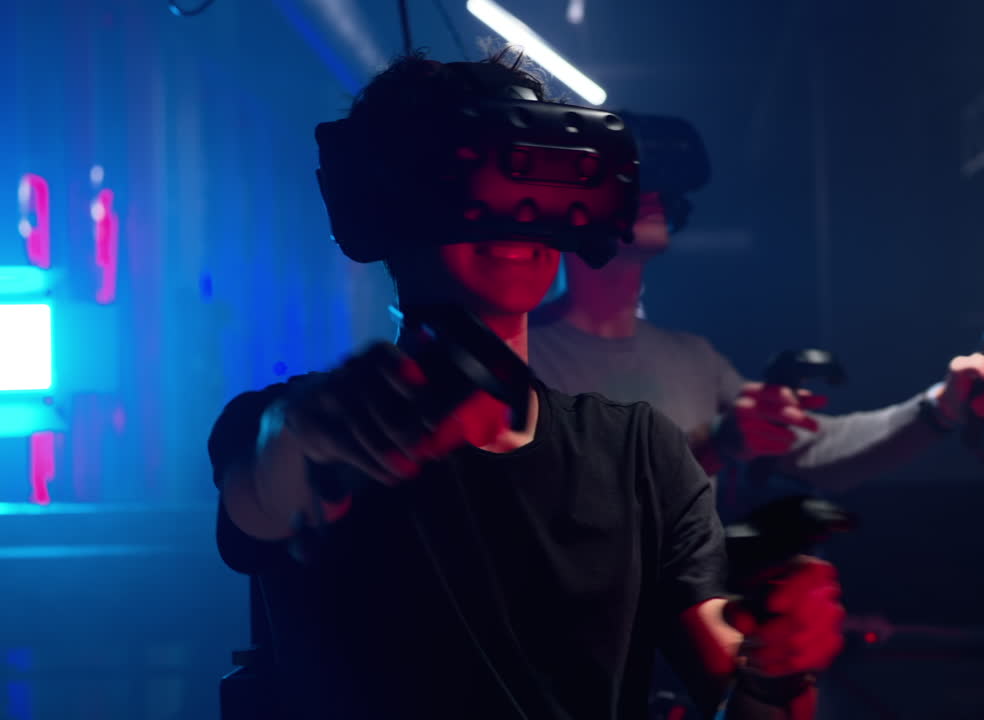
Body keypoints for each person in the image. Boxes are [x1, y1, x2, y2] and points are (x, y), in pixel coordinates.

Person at [208, 52, 844, 720]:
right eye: (467, 178)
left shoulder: (640, 453)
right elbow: (263, 496)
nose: (512, 213)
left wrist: (775, 665)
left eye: (535, 172)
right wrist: (311, 434)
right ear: (387, 204)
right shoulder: (295, 430)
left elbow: (733, 677)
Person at [530, 190, 984, 493]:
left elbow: (817, 451)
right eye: (629, 176)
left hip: (683, 641)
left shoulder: (692, 356)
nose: (653, 190)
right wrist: (716, 443)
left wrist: (944, 406)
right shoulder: (525, 357)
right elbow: (571, 499)